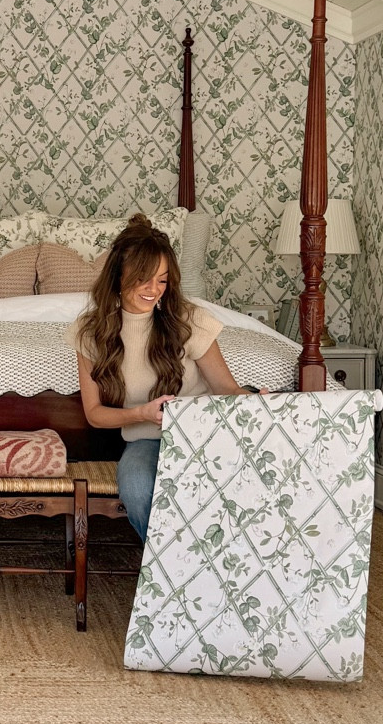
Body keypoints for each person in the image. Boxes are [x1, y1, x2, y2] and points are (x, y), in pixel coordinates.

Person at [73, 213, 258, 545]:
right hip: (145, 439)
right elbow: (94, 413)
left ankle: (202, 568)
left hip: (201, 435)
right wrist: (141, 414)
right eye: (143, 278)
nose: (153, 290)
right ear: (118, 276)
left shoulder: (190, 321)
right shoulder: (90, 332)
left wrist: (257, 401)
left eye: (162, 280)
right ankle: (174, 568)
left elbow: (225, 388)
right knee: (137, 488)